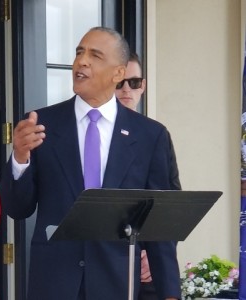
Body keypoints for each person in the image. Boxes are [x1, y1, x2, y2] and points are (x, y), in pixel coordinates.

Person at [0, 27, 181, 300]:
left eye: (95, 55)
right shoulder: (41, 125)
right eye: (79, 53)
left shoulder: (150, 135)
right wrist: (20, 158)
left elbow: (160, 224)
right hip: (53, 283)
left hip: (117, 283)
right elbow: (18, 208)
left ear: (118, 73)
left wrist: (170, 293)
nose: (82, 61)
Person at [115, 52, 182, 300]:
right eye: (119, 82)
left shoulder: (155, 136)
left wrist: (149, 254)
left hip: (145, 267)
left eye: (133, 82)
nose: (126, 89)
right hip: (100, 261)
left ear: (142, 86)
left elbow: (170, 205)